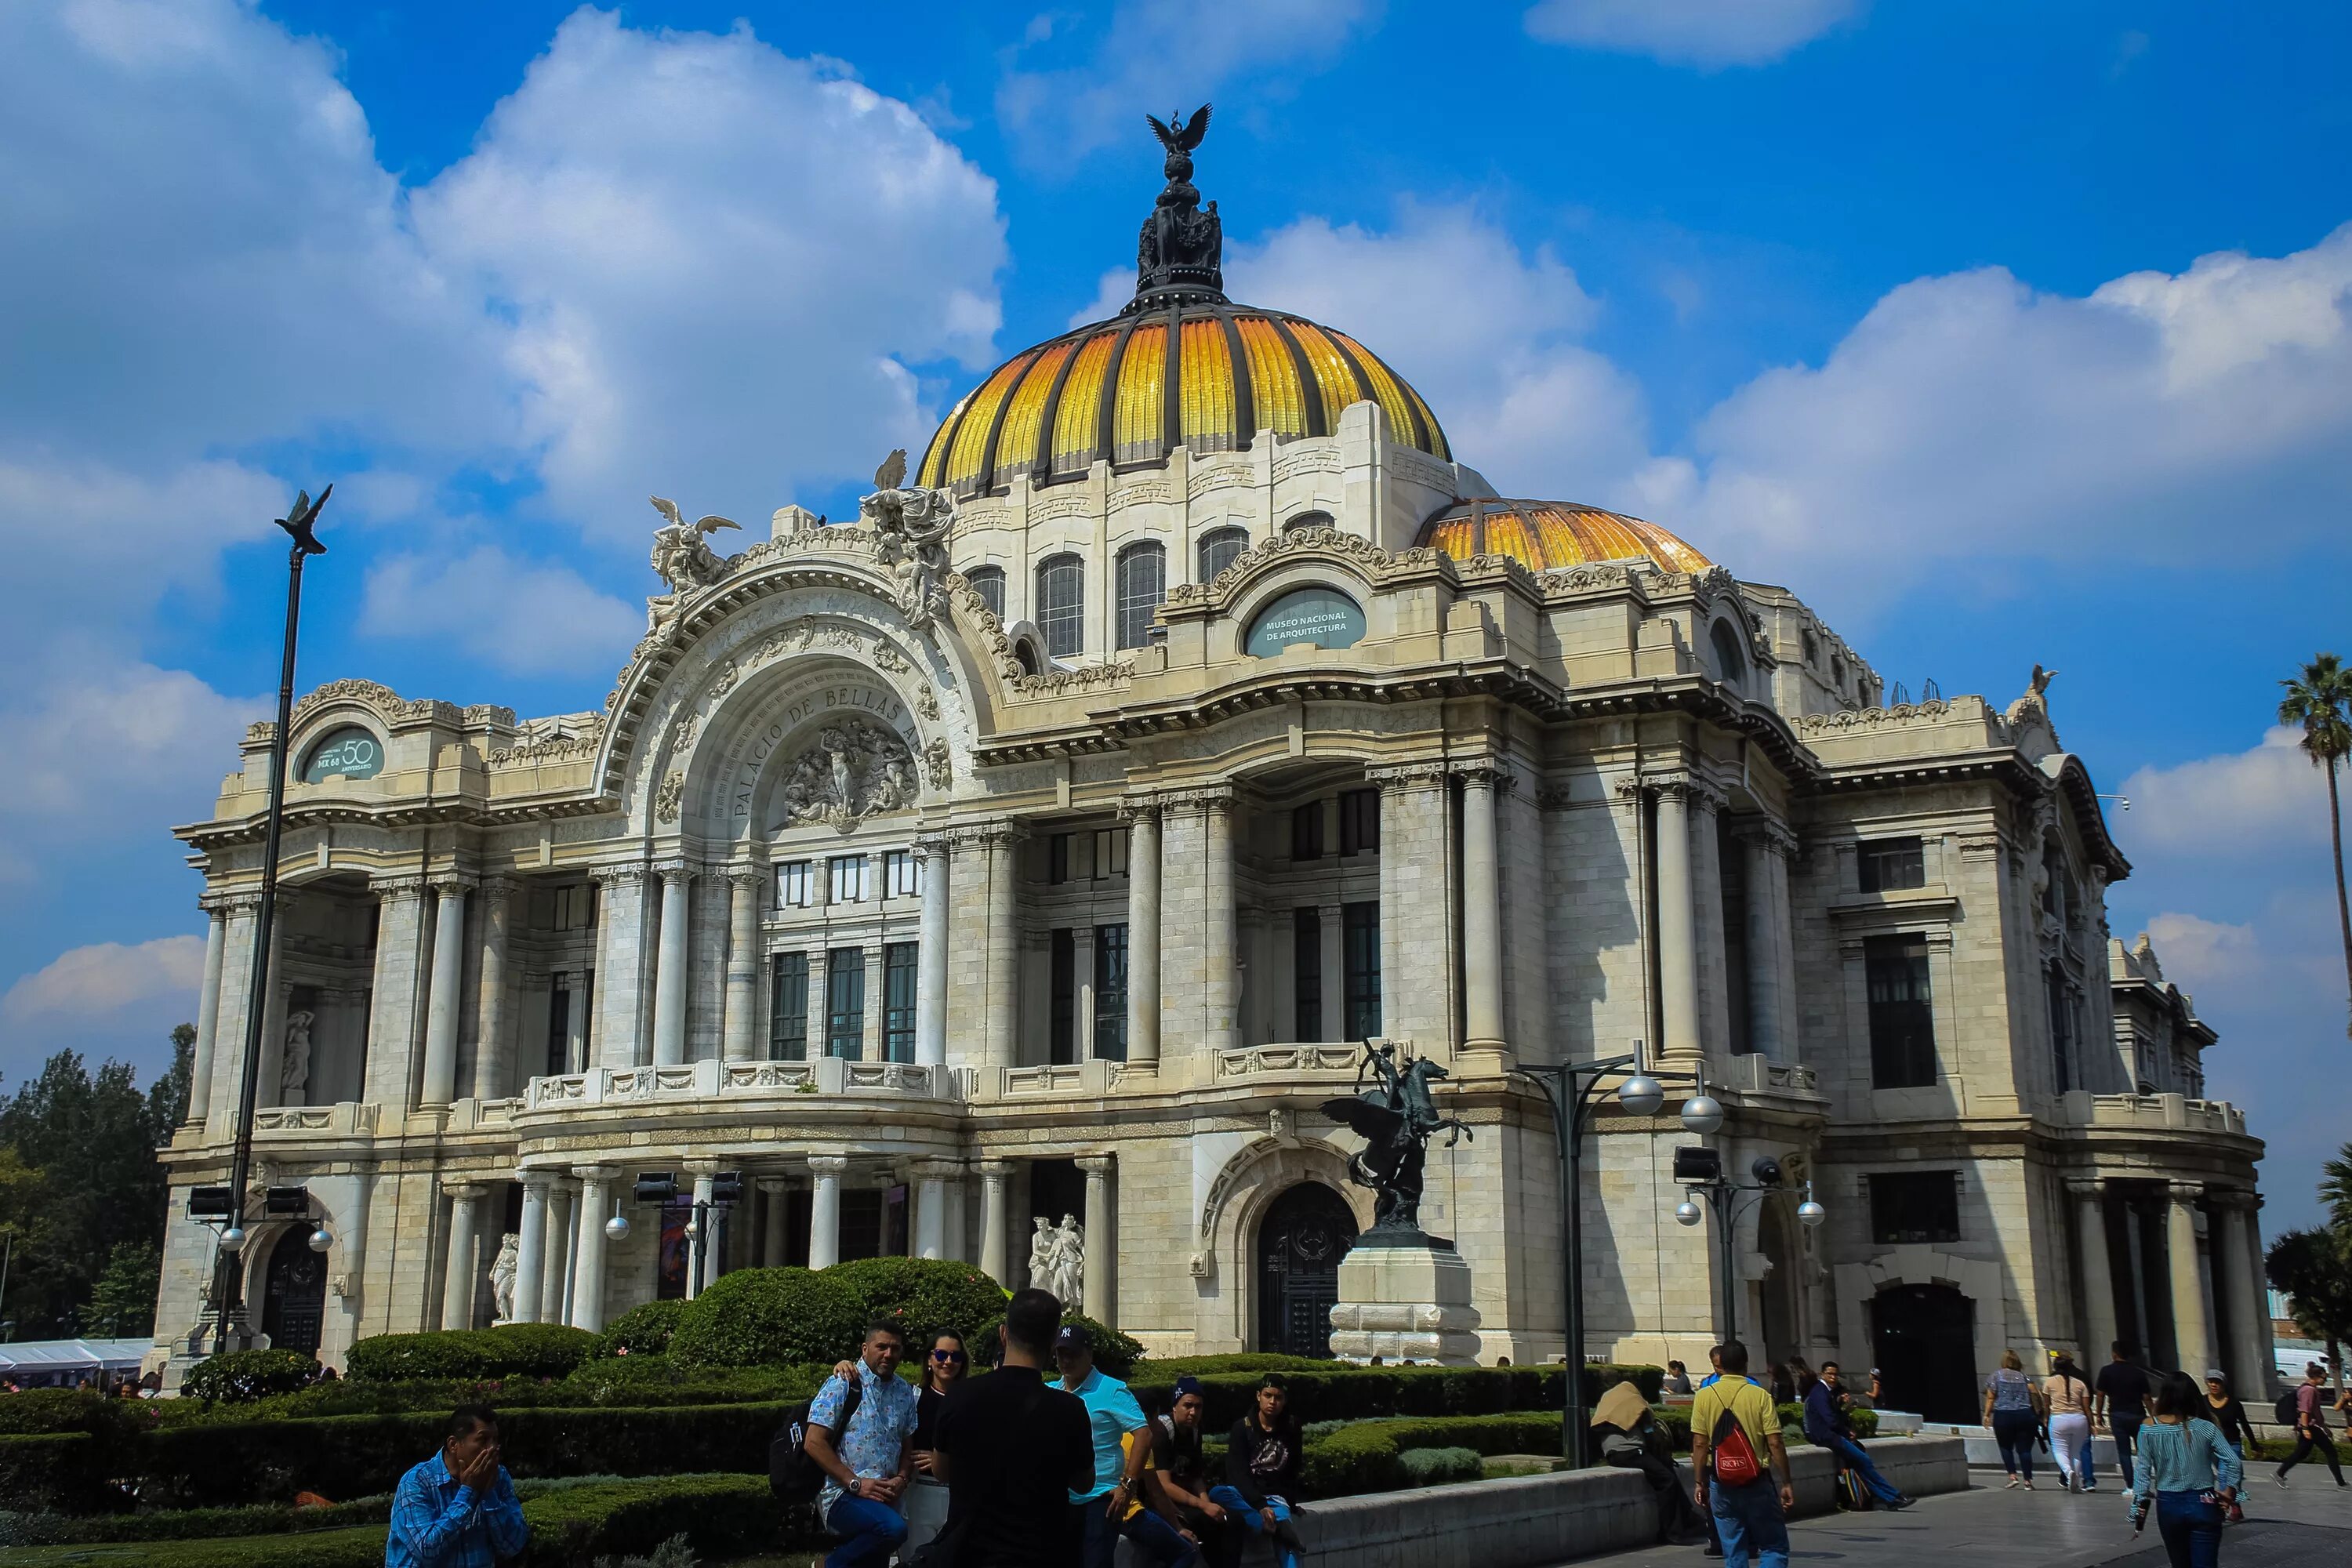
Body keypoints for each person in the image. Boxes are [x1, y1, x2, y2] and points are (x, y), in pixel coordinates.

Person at [933, 1288, 1094, 1568]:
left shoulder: (958, 1397)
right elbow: (1084, 1483)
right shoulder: (1070, 1409)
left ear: (1003, 1333)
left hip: (970, 1554)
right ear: (1053, 1341)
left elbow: (941, 1470)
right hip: (1041, 1554)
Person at [804, 1320, 920, 1568]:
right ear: (865, 1348)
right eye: (882, 1347)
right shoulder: (843, 1383)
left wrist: (902, 1478)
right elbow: (814, 1442)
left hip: (886, 1495)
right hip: (843, 1493)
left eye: (895, 1348)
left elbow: (907, 1443)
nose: (889, 1354)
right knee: (893, 1530)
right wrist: (855, 1483)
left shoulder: (904, 1391)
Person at [1056, 1323, 1156, 1568]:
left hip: (1101, 1499)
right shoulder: (1051, 1391)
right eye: (1061, 1354)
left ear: (1089, 1354)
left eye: (1073, 1354)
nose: (1066, 1360)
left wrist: (1128, 1486)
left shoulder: (1112, 1390)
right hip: (1060, 1499)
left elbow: (1143, 1434)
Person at [386, 1404, 528, 1568]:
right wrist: (468, 1493)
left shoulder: (499, 1476)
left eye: (495, 1440)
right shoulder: (416, 1482)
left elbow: (514, 1546)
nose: (492, 1448)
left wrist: (489, 1495)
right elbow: (426, 1550)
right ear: (453, 1444)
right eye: (483, 1440)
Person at [1691, 1342, 1794, 1568]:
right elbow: (1775, 1443)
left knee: (1734, 1550)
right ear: (1746, 1365)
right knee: (1773, 1546)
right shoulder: (1760, 1396)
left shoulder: (1703, 1396)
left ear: (1720, 1366)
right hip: (1757, 1480)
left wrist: (1699, 1482)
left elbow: (1699, 1444)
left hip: (1720, 1481)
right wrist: (1786, 1482)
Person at [2134, 1371, 2241, 1568]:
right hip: (2204, 1500)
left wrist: (2138, 1506)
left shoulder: (2148, 1428)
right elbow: (2234, 1462)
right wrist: (2229, 1492)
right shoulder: (2205, 1427)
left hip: (2168, 1504)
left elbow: (2142, 1471)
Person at [1593, 1378, 1708, 1546]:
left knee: (1666, 1471)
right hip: (1633, 1452)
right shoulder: (1637, 1403)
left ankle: (1688, 1517)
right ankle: (1670, 1532)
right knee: (1667, 1481)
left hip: (1612, 1453)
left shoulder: (1607, 1401)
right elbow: (1650, 1432)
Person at [1213, 1375, 1308, 1568]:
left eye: (1278, 1397)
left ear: (1284, 1401)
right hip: (1247, 1496)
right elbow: (1237, 1472)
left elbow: (1294, 1467)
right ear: (1258, 1396)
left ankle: (1278, 1529)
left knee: (1287, 1546)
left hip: (1276, 1497)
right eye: (1268, 1395)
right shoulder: (1242, 1427)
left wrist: (1291, 1502)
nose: (1273, 1402)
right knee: (1217, 1493)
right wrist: (1259, 1505)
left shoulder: (1292, 1426)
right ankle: (1273, 1528)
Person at [1795, 1357, 1911, 1510]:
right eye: (1829, 1374)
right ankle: (1894, 1496)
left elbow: (1834, 1415)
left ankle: (1890, 1498)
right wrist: (1847, 1432)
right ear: (1822, 1374)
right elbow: (1830, 1420)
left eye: (1835, 1374)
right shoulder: (1820, 1393)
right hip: (1827, 1436)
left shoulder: (1828, 1391)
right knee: (1865, 1461)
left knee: (1860, 1464)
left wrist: (1842, 1404)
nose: (1833, 1377)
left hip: (1829, 1435)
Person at [902, 1330, 967, 1557]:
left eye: (955, 1356)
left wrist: (940, 1460)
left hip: (959, 1493)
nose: (948, 1362)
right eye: (941, 1355)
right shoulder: (912, 1397)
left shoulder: (971, 1400)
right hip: (920, 1493)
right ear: (930, 1359)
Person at [1152, 1377, 1230, 1563]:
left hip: (1185, 1499)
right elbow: (1164, 1486)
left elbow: (1196, 1476)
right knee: (1204, 1524)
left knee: (1231, 1521)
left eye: (1198, 1407)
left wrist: (1208, 1504)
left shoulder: (1194, 1431)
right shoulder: (1162, 1431)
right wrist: (1204, 1507)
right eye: (1187, 1405)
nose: (1193, 1412)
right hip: (1161, 1502)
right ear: (1175, 1406)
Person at [2275, 1362, 2347, 1487]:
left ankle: (2279, 1474)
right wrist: (2305, 1429)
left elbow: (2315, 1412)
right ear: (2316, 1377)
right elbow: (2305, 1411)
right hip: (2309, 1427)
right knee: (2331, 1452)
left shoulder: (2307, 1389)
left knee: (2301, 1453)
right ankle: (2341, 1484)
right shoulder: (2308, 1390)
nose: (2325, 1381)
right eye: (2324, 1378)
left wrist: (2324, 1427)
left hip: (2311, 1427)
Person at [1983, 1349, 2044, 1490]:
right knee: (2025, 1449)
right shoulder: (2025, 1377)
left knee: (2005, 1446)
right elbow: (2035, 1395)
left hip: (2004, 1415)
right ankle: (2028, 1481)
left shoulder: (1995, 1376)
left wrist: (1986, 1415)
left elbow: (1991, 1397)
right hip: (2025, 1415)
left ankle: (2012, 1476)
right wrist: (2040, 1415)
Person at [2095, 1341, 2156, 1478]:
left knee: (2124, 1452)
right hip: (2137, 1414)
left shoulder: (2106, 1371)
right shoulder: (2138, 1373)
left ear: (2114, 1354)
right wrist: (2153, 1415)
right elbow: (2147, 1397)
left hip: (2117, 1414)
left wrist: (2099, 1415)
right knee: (2142, 1452)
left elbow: (2100, 1395)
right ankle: (2143, 1483)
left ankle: (2130, 1485)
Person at [2204, 1371, 2255, 1523]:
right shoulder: (2201, 1402)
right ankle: (2235, 1504)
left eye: (2217, 1382)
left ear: (2223, 1384)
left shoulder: (2234, 1403)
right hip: (2211, 1445)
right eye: (2211, 1381)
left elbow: (2244, 1424)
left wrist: (2254, 1444)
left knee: (2225, 1476)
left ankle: (2222, 1508)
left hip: (2231, 1444)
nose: (2214, 1385)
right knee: (2228, 1477)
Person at [2045, 1353, 2097, 1493]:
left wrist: (2045, 1419)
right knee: (2076, 1452)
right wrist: (2092, 1424)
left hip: (2058, 1419)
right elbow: (2087, 1407)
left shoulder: (2049, 1382)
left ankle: (2068, 1473)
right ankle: (2075, 1481)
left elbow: (2046, 1404)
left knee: (2060, 1450)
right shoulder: (2080, 1383)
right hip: (2079, 1419)